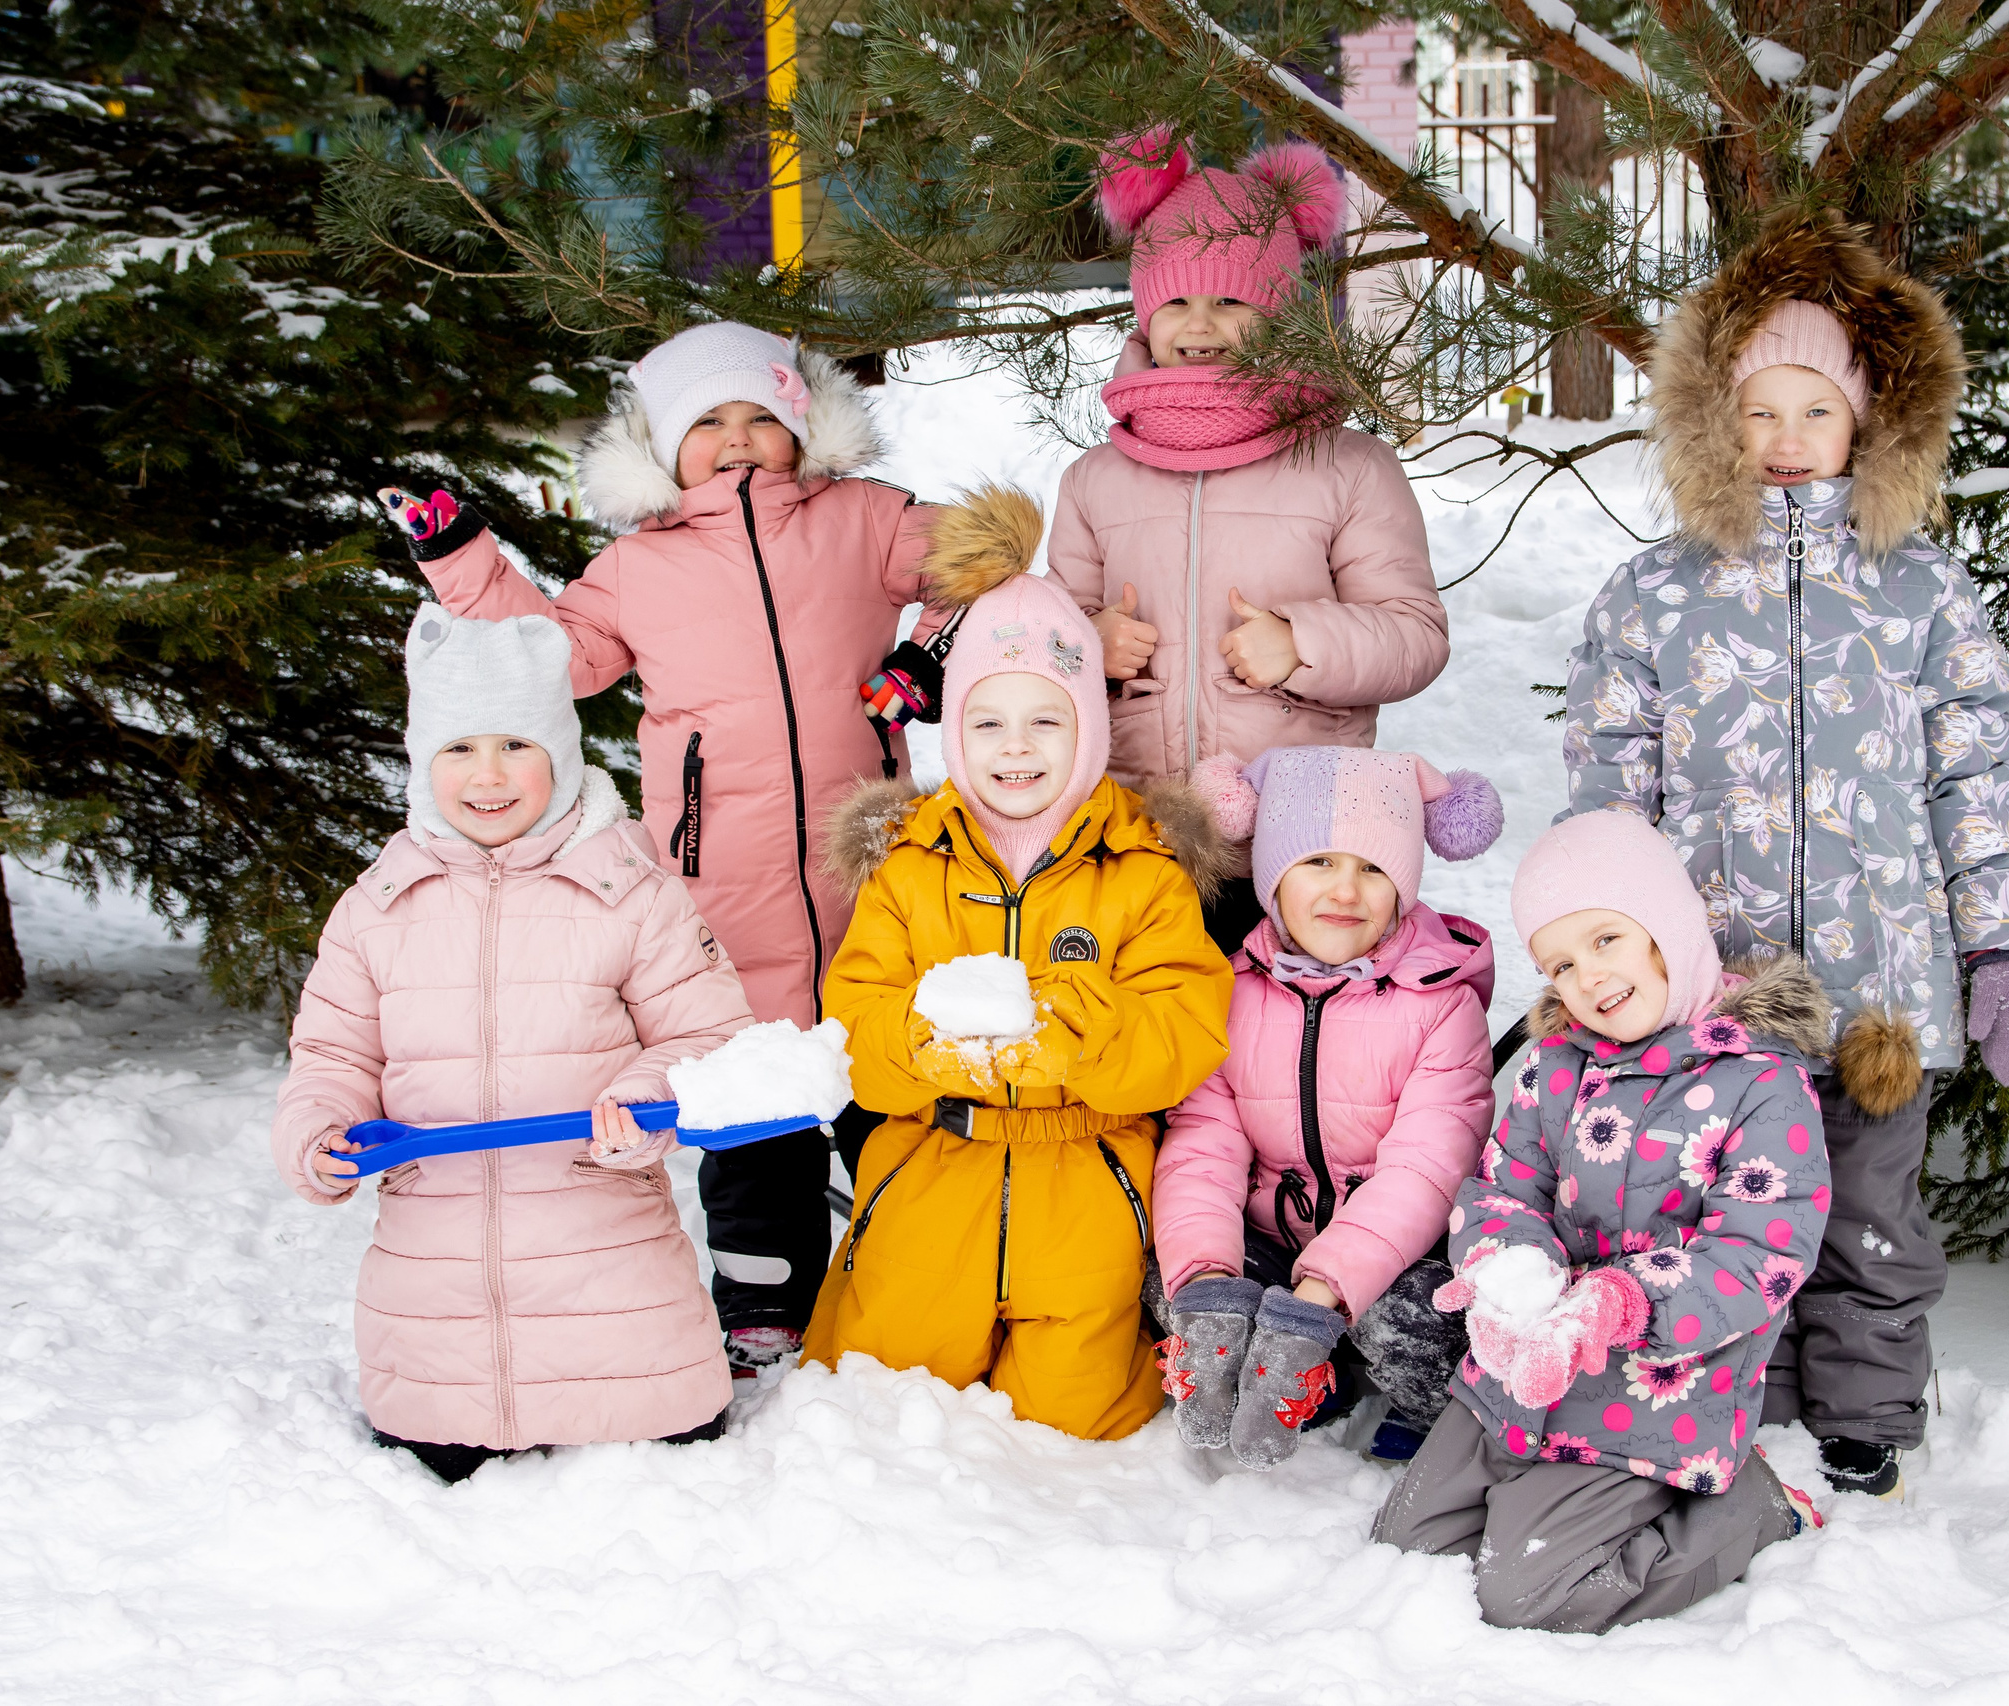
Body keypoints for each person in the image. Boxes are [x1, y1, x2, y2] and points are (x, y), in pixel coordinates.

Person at [1560, 210, 2009, 1497]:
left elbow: (1976, 774)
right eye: (1758, 413)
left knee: (1871, 1210)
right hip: (1711, 981)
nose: (1785, 442)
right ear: (1716, 424)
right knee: (1720, 1202)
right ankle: (1748, 1386)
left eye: (1814, 413)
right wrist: (1590, 950)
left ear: (1869, 422)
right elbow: (1607, 789)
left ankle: (1868, 1409)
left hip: (1881, 978)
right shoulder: (1653, 593)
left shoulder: (1923, 590)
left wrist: (1999, 940)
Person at [375, 321, 942, 1374]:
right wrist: (465, 565)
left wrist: (925, 656)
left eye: (760, 419)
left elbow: (984, 566)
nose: (737, 441)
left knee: (890, 1081)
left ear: (801, 424)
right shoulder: (639, 565)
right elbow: (554, 657)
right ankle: (764, 1292)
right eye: (707, 424)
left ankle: (912, 1265)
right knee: (748, 1083)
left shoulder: (866, 521)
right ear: (659, 445)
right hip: (718, 866)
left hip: (872, 861)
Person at [272, 606, 753, 1483]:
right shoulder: (376, 908)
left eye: (516, 746)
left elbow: (711, 1034)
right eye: (459, 748)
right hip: (437, 1309)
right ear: (423, 763)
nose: (487, 775)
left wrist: (647, 1099)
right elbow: (334, 1057)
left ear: (561, 756)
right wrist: (320, 1133)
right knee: (437, 1481)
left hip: (615, 1290)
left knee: (670, 1483)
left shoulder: (631, 895)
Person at [802, 491, 1236, 1439]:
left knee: (1076, 1429)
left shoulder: (1142, 867)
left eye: (1046, 721)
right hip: (931, 1167)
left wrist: (1075, 1032)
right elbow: (855, 1025)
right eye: (988, 723)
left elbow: (1186, 1027)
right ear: (955, 730)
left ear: (1087, 724)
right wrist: (927, 1047)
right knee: (887, 1406)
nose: (1016, 749)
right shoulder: (912, 863)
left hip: (1085, 1173)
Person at [1373, 810, 1832, 1629]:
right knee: (1405, 1545)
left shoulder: (1762, 1086)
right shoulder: (1556, 1068)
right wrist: (1509, 1265)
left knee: (1522, 1594)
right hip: (1520, 1379)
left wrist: (1621, 1303)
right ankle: (1532, 1492)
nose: (1588, 975)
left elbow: (1759, 1251)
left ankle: (1749, 1512)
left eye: (1607, 939)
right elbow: (1500, 1191)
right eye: (1561, 961)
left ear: (1668, 924)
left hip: (1657, 1391)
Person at [1047, 128, 1451, 952]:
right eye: (1176, 301)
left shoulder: (1346, 465)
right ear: (1143, 312)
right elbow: (1041, 647)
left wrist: (1303, 644)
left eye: (1232, 300)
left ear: (1277, 312)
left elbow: (1415, 635)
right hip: (1134, 833)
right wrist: (1084, 643)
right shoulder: (1096, 478)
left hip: (1298, 842)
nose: (1201, 324)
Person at [1151, 746, 1502, 1467]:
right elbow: (1202, 1145)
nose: (1345, 891)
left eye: (1373, 869)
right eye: (1318, 862)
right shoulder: (1229, 993)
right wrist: (1211, 1279)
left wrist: (1321, 1297)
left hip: (1400, 1256)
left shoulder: (1441, 1005)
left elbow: (1425, 1173)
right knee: (1175, 1282)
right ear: (1273, 877)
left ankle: (1422, 1402)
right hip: (1275, 1240)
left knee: (1415, 1322)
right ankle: (1314, 1376)